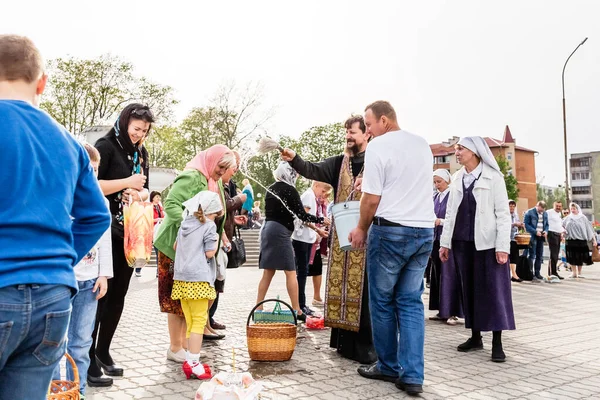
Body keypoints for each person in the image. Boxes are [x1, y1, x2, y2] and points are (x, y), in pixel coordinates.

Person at [0, 34, 110, 399]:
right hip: (54, 296)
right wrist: (59, 261)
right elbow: (96, 216)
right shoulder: (67, 142)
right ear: (41, 82)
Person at [348, 101, 435, 396]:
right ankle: (412, 375)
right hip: (423, 231)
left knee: (382, 301)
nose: (368, 130)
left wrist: (360, 228)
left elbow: (372, 198)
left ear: (384, 120)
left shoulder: (378, 147)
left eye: (369, 124)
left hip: (391, 232)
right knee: (411, 302)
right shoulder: (422, 144)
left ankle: (387, 366)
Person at [281, 115, 376, 364]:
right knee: (342, 286)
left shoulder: (377, 161)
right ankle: (344, 345)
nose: (348, 136)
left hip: (369, 236)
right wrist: (295, 159)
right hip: (342, 235)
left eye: (352, 132)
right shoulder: (338, 163)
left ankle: (366, 347)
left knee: (364, 291)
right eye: (346, 132)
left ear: (366, 134)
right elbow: (313, 169)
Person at [89, 103, 154, 380]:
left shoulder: (142, 152)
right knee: (101, 296)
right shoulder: (105, 146)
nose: (139, 134)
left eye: (145, 131)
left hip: (130, 232)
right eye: (136, 129)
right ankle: (88, 355)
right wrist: (126, 182)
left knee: (119, 296)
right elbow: (93, 183)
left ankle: (104, 350)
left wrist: (136, 194)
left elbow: (147, 190)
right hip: (104, 232)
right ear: (125, 122)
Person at [154, 145, 235, 363]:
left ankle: (188, 346)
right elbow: (170, 204)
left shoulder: (212, 178)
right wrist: (193, 230)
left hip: (194, 249)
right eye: (221, 166)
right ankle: (175, 347)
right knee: (176, 299)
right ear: (211, 160)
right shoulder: (191, 176)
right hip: (174, 247)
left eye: (225, 168)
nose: (221, 171)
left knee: (188, 299)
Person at [439, 136, 515, 364]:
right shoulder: (457, 178)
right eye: (455, 149)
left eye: (460, 149)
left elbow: (503, 214)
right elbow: (450, 213)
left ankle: (497, 343)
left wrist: (502, 246)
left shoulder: (494, 177)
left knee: (493, 292)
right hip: (462, 243)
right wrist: (445, 243)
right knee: (469, 290)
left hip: (488, 245)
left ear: (474, 151)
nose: (457, 153)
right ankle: (475, 337)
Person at [52, 143, 114, 394]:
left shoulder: (101, 202)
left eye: (96, 170)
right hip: (63, 281)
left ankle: (78, 392)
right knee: (56, 343)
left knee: (81, 342)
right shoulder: (60, 198)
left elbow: (105, 238)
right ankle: (57, 392)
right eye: (87, 168)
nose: (91, 174)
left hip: (90, 282)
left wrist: (104, 274)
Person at [255, 162, 324, 321]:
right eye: (296, 173)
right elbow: (302, 215)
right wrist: (321, 220)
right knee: (291, 271)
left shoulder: (271, 188)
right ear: (290, 174)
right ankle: (297, 310)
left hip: (268, 230)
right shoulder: (290, 190)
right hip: (280, 232)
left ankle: (258, 307)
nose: (298, 176)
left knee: (268, 271)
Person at [172, 191, 224, 380]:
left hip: (181, 280)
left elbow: (177, 247)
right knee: (199, 322)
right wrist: (217, 241)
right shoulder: (209, 227)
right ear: (213, 211)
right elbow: (210, 253)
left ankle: (189, 359)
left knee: (190, 321)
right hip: (199, 280)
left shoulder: (185, 224)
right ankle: (194, 362)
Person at [210, 151, 247, 330]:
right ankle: (207, 320)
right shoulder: (217, 185)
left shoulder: (226, 184)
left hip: (223, 236)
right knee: (215, 279)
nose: (235, 170)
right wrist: (239, 200)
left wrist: (235, 220)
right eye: (233, 166)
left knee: (219, 280)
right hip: (216, 238)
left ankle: (209, 319)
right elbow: (221, 209)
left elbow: (225, 213)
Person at [428, 169, 464, 325]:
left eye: (439, 182)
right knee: (436, 275)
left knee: (449, 275)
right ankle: (441, 309)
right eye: (435, 182)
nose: (437, 185)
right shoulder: (435, 196)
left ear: (447, 180)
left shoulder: (452, 195)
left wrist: (440, 221)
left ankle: (452, 311)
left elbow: (455, 217)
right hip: (435, 239)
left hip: (448, 240)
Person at [292, 181, 331, 317]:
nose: (323, 194)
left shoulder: (312, 197)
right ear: (316, 185)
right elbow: (304, 218)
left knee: (303, 272)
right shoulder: (308, 196)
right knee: (301, 273)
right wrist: (319, 225)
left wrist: (318, 231)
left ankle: (302, 304)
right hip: (301, 239)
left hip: (307, 239)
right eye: (323, 191)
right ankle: (300, 306)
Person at [308, 189, 332, 307]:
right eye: (323, 194)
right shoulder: (311, 200)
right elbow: (305, 219)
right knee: (301, 272)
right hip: (308, 240)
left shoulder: (324, 207)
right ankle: (299, 301)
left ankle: (316, 297)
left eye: (326, 196)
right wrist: (317, 229)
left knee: (317, 270)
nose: (323, 198)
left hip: (317, 242)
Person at [563, 203, 596, 278]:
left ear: (577, 209)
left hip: (581, 240)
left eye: (574, 209)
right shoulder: (568, 218)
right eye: (571, 209)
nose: (573, 210)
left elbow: (589, 229)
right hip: (570, 240)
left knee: (580, 256)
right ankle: (574, 272)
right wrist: (563, 233)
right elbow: (562, 226)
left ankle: (579, 273)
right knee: (572, 256)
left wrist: (594, 240)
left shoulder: (583, 217)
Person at [136, 190, 164, 277]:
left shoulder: (160, 207)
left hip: (157, 232)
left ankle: (158, 271)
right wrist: (157, 220)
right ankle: (138, 269)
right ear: (152, 197)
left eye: (159, 197)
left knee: (158, 252)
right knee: (144, 252)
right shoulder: (149, 207)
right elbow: (146, 219)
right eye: (157, 197)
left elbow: (162, 217)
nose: (158, 198)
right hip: (149, 231)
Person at [524, 201, 549, 280]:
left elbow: (547, 224)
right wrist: (535, 231)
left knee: (539, 255)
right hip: (533, 236)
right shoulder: (529, 212)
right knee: (532, 255)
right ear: (537, 206)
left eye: (543, 209)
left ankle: (537, 273)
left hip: (541, 236)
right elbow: (526, 224)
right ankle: (529, 272)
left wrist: (546, 231)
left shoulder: (545, 213)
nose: (542, 211)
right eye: (541, 209)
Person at [546, 201, 565, 279]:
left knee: (556, 255)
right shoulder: (549, 212)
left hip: (558, 234)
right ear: (553, 205)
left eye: (560, 206)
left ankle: (553, 272)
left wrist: (561, 233)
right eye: (557, 206)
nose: (558, 207)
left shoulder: (559, 214)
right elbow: (545, 222)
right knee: (553, 254)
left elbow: (558, 225)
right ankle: (552, 273)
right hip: (551, 234)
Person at [508, 200, 524, 282]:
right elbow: (505, 225)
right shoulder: (505, 214)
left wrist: (520, 226)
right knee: (508, 256)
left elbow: (517, 226)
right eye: (510, 206)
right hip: (507, 238)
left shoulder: (515, 215)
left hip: (514, 238)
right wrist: (514, 224)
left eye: (513, 206)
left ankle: (514, 274)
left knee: (515, 257)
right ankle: (511, 273)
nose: (512, 208)